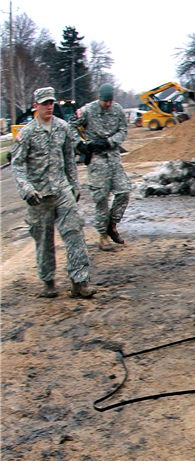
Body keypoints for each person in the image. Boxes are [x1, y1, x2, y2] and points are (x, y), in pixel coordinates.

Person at [11, 87, 94, 299]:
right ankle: (48, 281)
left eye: (51, 103)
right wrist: (26, 189)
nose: (49, 107)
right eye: (45, 103)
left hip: (61, 191)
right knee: (44, 240)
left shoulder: (63, 128)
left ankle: (80, 282)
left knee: (75, 232)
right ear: (35, 106)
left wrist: (74, 185)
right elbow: (17, 165)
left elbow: (69, 160)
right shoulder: (27, 133)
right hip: (39, 197)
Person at [75, 83, 130, 251]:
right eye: (105, 101)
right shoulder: (87, 111)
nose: (108, 104)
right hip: (96, 160)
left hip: (113, 157)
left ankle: (111, 226)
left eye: (110, 100)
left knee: (124, 190)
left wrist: (109, 141)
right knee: (101, 198)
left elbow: (123, 130)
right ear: (100, 98)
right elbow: (70, 127)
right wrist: (79, 144)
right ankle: (102, 236)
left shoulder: (118, 110)